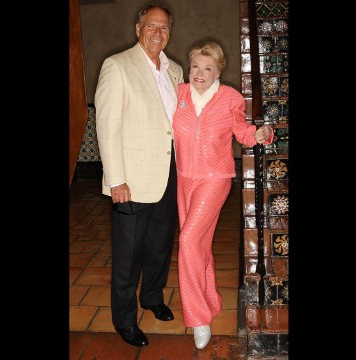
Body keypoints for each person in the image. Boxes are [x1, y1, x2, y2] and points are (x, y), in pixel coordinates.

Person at [172, 41, 273, 349]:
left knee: (188, 240)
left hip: (215, 179)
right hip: (183, 179)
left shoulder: (229, 98)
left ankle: (199, 317)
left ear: (218, 70)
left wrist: (258, 135)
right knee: (198, 244)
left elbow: (241, 131)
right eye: (195, 67)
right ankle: (212, 299)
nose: (199, 73)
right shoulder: (180, 94)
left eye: (207, 68)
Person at [94, 3, 184, 348]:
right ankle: (125, 320)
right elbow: (107, 126)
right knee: (129, 256)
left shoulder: (174, 70)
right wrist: (116, 178)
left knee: (160, 247)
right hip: (130, 181)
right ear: (138, 28)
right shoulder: (117, 66)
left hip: (168, 174)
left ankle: (152, 297)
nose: (158, 33)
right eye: (151, 26)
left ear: (169, 33)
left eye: (164, 28)